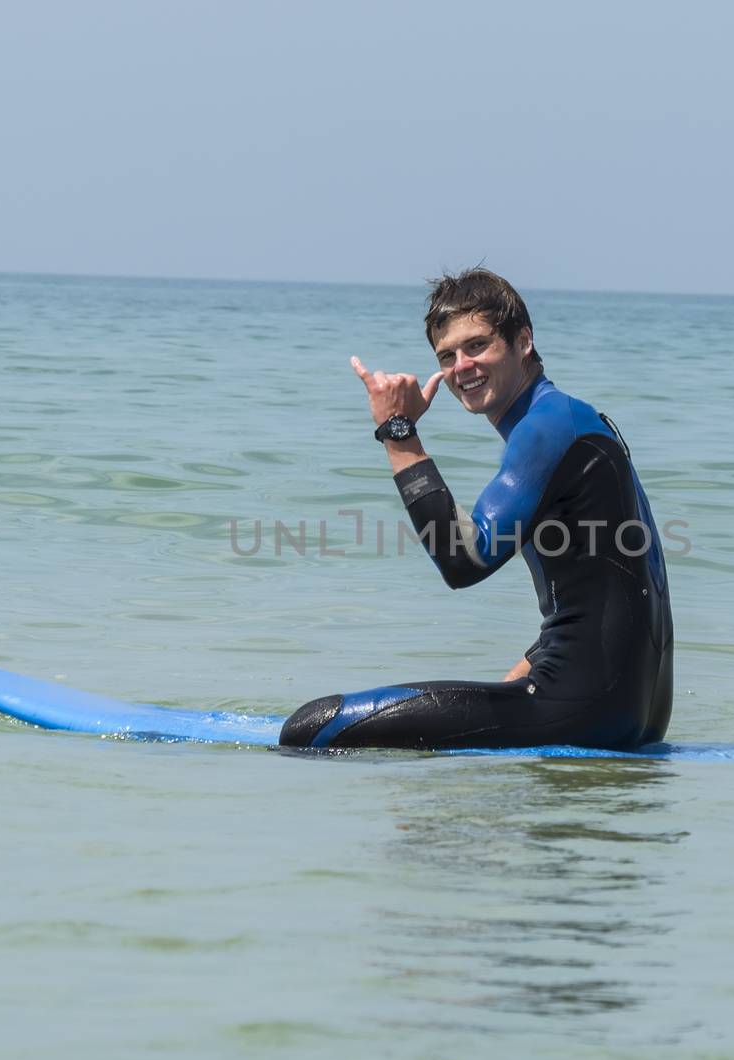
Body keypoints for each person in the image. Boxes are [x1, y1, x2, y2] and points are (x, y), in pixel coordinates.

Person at [279, 269, 673, 750]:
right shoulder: (580, 422)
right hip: (637, 717)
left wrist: (398, 433)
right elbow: (601, 594)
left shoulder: (544, 429)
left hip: (586, 710)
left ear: (523, 341)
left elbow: (464, 561)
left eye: (477, 345)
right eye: (447, 356)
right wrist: (515, 687)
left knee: (314, 726)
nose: (462, 366)